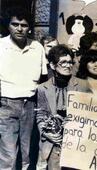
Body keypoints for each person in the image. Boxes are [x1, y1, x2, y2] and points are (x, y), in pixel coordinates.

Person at [0, 7, 48, 169]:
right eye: (15, 24)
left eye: (24, 25)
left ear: (29, 28)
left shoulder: (37, 48)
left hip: (30, 105)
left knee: (27, 153)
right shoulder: (0, 46)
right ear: (8, 26)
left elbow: (43, 79)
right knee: (9, 155)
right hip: (5, 105)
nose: (19, 29)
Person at [36, 44, 92, 169]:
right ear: (52, 65)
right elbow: (40, 115)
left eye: (70, 62)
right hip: (53, 143)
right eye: (63, 62)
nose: (68, 66)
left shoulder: (83, 85)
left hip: (77, 143)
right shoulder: (42, 89)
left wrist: (76, 122)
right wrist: (46, 134)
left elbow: (92, 114)